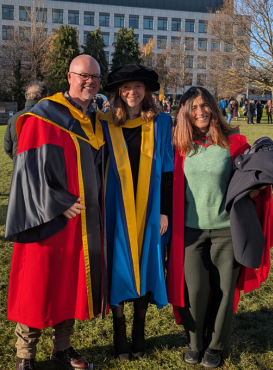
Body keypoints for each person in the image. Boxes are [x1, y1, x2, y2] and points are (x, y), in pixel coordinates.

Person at [166, 86, 273, 368]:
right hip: (190, 232)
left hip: (226, 231)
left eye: (205, 106)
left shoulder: (235, 142)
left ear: (214, 108)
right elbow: (166, 183)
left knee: (224, 291)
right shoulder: (177, 144)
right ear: (185, 113)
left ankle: (215, 346)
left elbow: (251, 179)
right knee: (193, 291)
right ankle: (195, 343)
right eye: (193, 108)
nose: (201, 112)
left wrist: (257, 188)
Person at [4, 55, 106, 370]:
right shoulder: (43, 117)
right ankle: (25, 356)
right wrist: (59, 203)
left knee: (69, 284)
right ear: (69, 76)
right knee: (36, 285)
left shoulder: (95, 121)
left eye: (95, 77)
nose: (89, 81)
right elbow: (27, 173)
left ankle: (62, 348)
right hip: (46, 219)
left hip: (82, 223)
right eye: (83, 75)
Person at [98, 64, 174, 361]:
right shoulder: (105, 123)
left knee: (144, 264)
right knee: (118, 266)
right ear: (119, 91)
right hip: (115, 209)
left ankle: (139, 333)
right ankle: (119, 335)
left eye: (138, 87)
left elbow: (167, 169)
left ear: (147, 91)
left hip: (149, 208)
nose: (132, 92)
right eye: (127, 87)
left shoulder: (161, 122)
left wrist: (164, 213)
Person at [4, 81, 48, 160]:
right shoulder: (50, 119)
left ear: (26, 96)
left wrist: (17, 160)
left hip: (20, 167)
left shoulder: (13, 119)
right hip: (43, 168)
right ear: (45, 96)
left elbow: (7, 148)